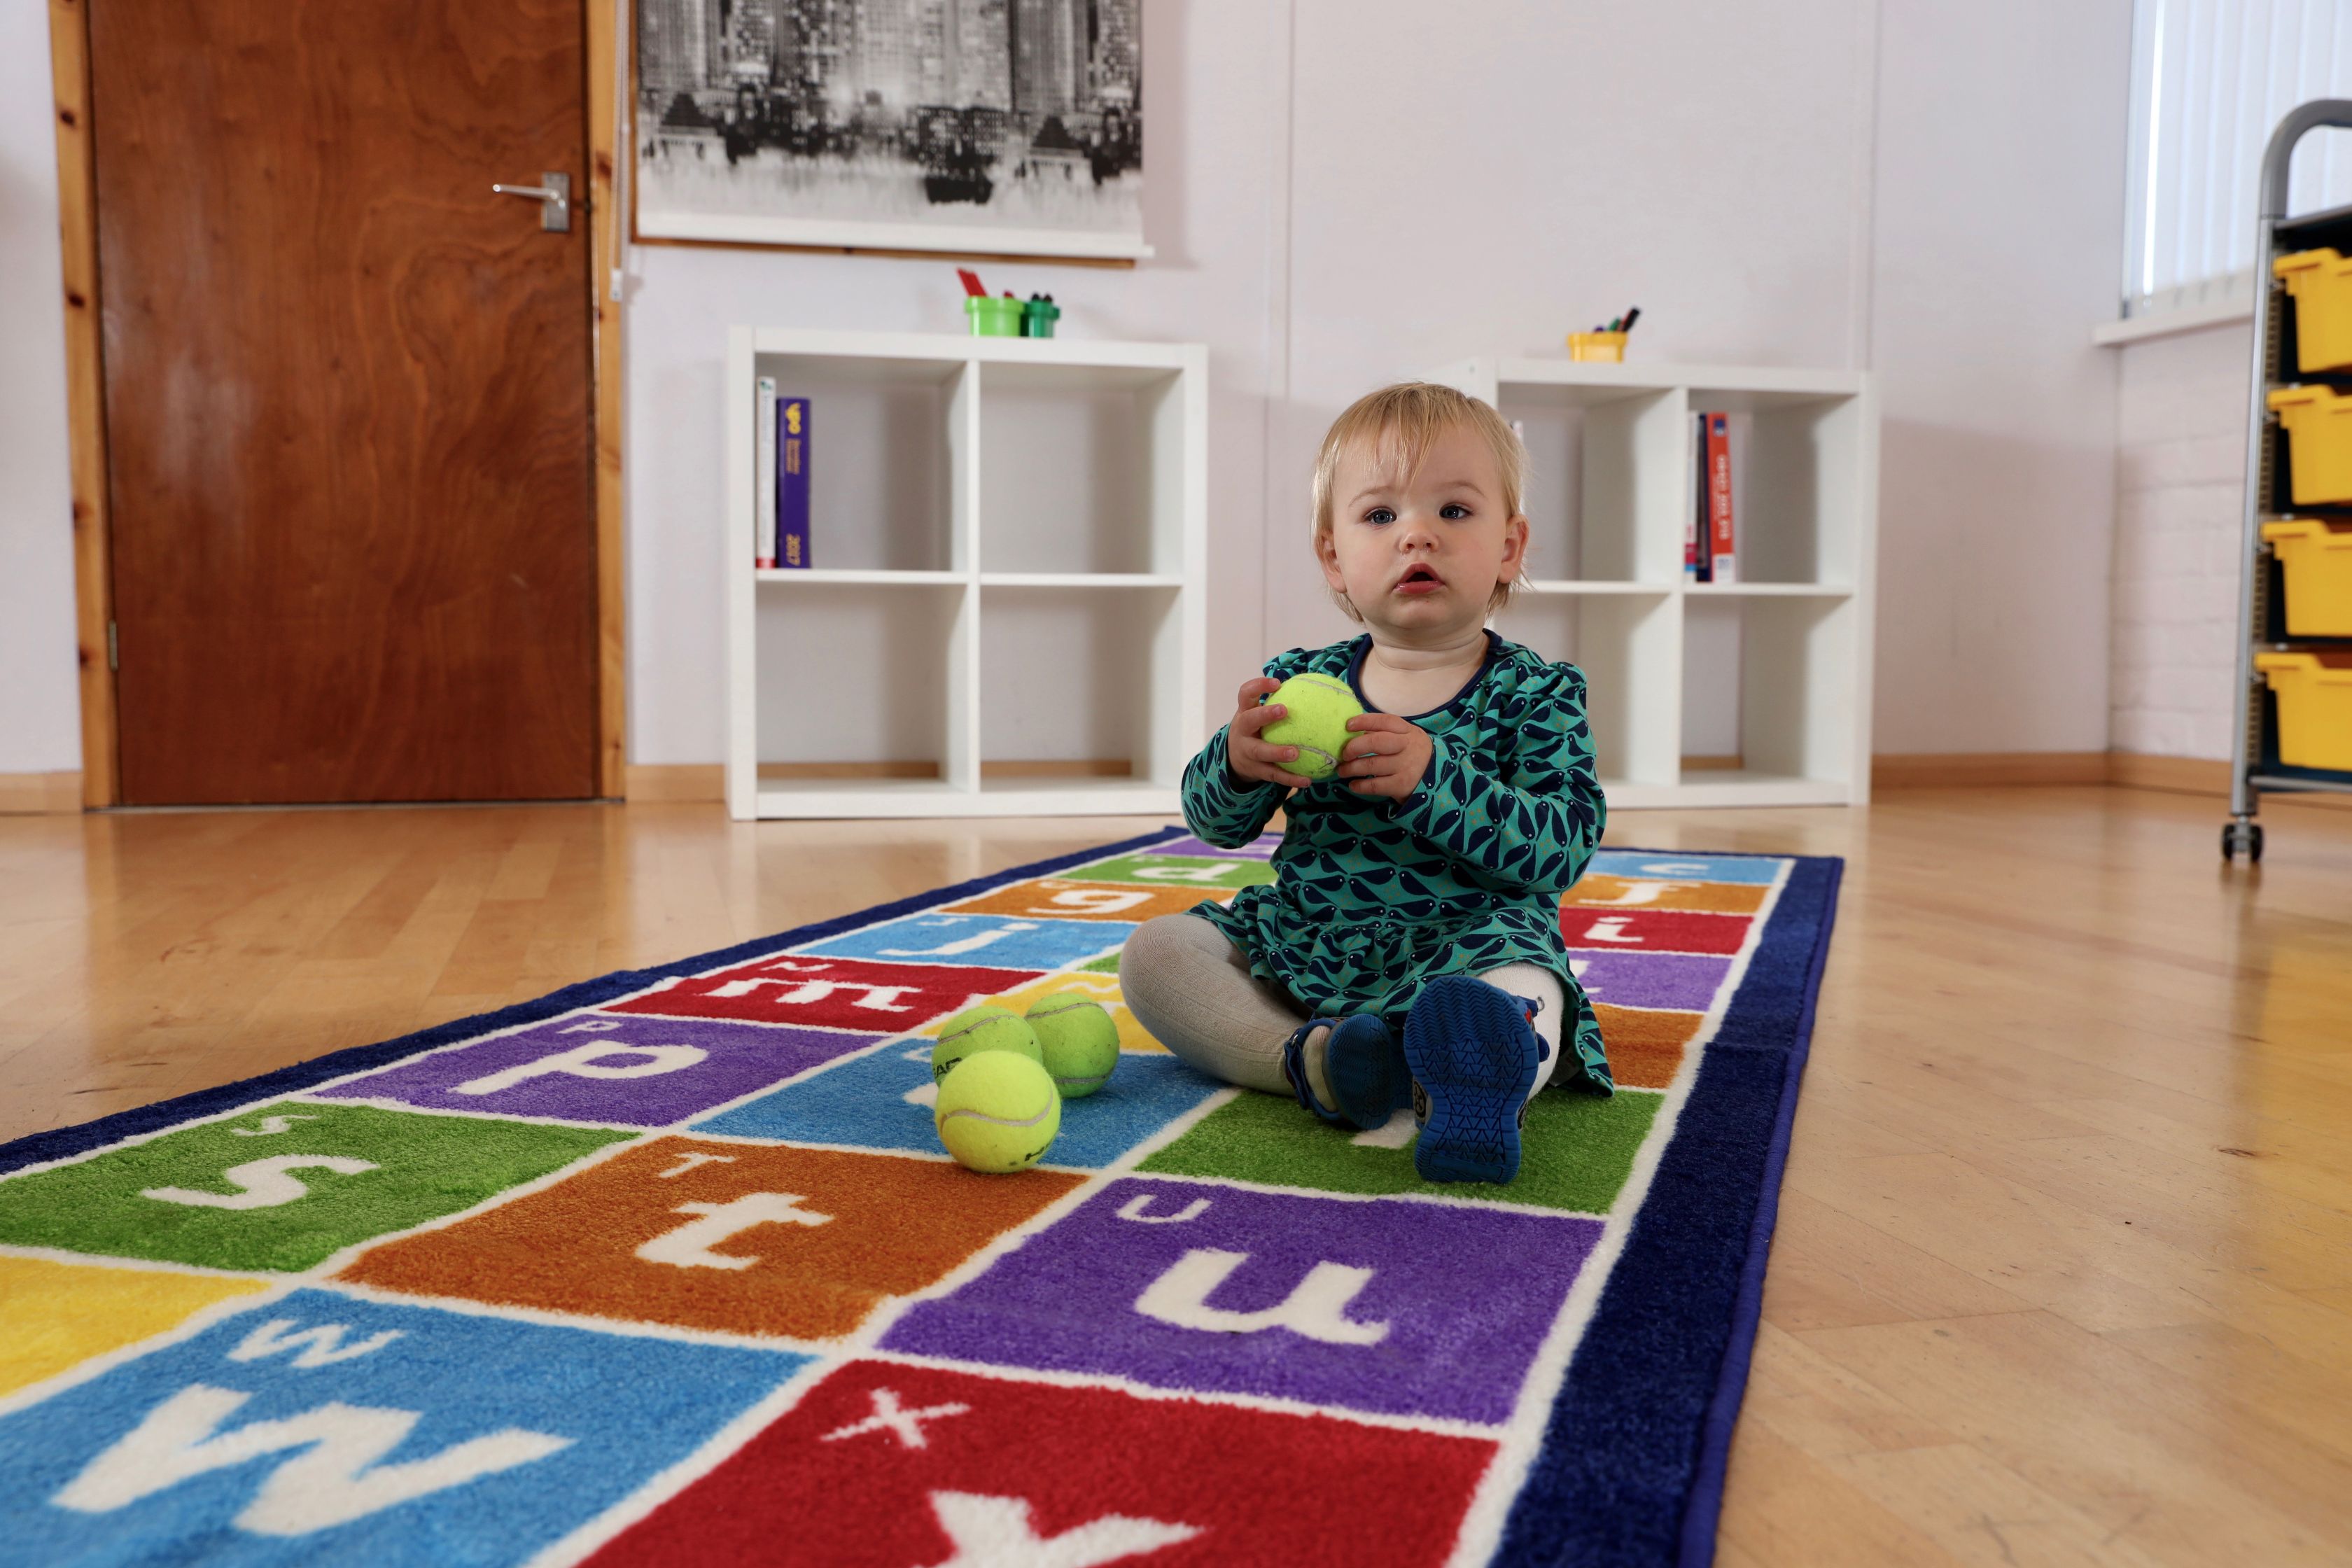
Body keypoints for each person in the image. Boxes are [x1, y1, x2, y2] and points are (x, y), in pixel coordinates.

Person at [1120, 382, 1611, 1184]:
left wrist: (1433, 780)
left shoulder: (1538, 692)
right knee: (1156, 951)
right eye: (1380, 516)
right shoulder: (1299, 681)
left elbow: (1561, 848)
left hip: (1466, 937)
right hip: (1309, 936)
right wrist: (1237, 762)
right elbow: (1211, 821)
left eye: (1454, 511)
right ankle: (1316, 1062)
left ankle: (1479, 1077)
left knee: (1528, 977)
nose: (1417, 534)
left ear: (1511, 546)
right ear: (1333, 556)